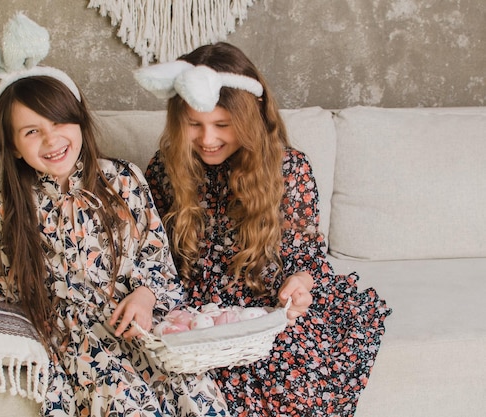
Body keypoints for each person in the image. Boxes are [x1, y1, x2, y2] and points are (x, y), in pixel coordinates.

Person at [0, 14, 230, 417]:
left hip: (145, 319)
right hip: (80, 335)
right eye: (31, 131)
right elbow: (10, 281)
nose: (51, 139)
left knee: (197, 397)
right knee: (123, 400)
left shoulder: (124, 179)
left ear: (79, 121)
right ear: (14, 147)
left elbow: (158, 264)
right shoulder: (11, 204)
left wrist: (145, 296)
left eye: (59, 122)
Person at [135, 42, 392, 417]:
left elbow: (306, 255)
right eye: (194, 125)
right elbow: (152, 250)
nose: (208, 140)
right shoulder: (165, 168)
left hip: (266, 303)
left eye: (222, 126)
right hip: (198, 307)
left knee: (291, 381)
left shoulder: (288, 169)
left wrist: (300, 284)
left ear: (249, 119)